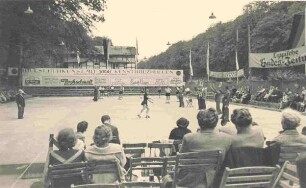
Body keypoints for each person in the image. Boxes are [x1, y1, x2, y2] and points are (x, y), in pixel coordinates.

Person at [178, 108, 233, 188]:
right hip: (215, 181)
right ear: (216, 122)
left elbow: (181, 161)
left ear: (199, 122)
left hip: (191, 181)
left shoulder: (189, 138)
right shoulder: (227, 138)